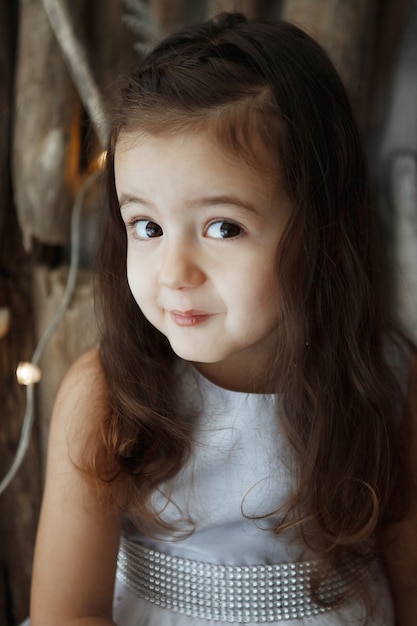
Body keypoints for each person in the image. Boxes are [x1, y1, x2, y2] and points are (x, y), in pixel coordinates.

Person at [29, 12, 417, 626]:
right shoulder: (105, 396)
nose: (175, 271)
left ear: (322, 230)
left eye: (223, 227)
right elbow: (68, 612)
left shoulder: (388, 382)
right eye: (148, 227)